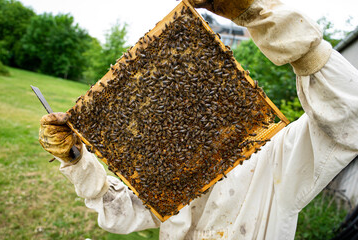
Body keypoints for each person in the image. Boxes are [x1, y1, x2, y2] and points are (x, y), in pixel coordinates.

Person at [38, 0, 358, 239]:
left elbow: (350, 115)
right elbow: (121, 213)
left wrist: (261, 15)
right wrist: (77, 160)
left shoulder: (278, 156)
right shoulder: (169, 165)